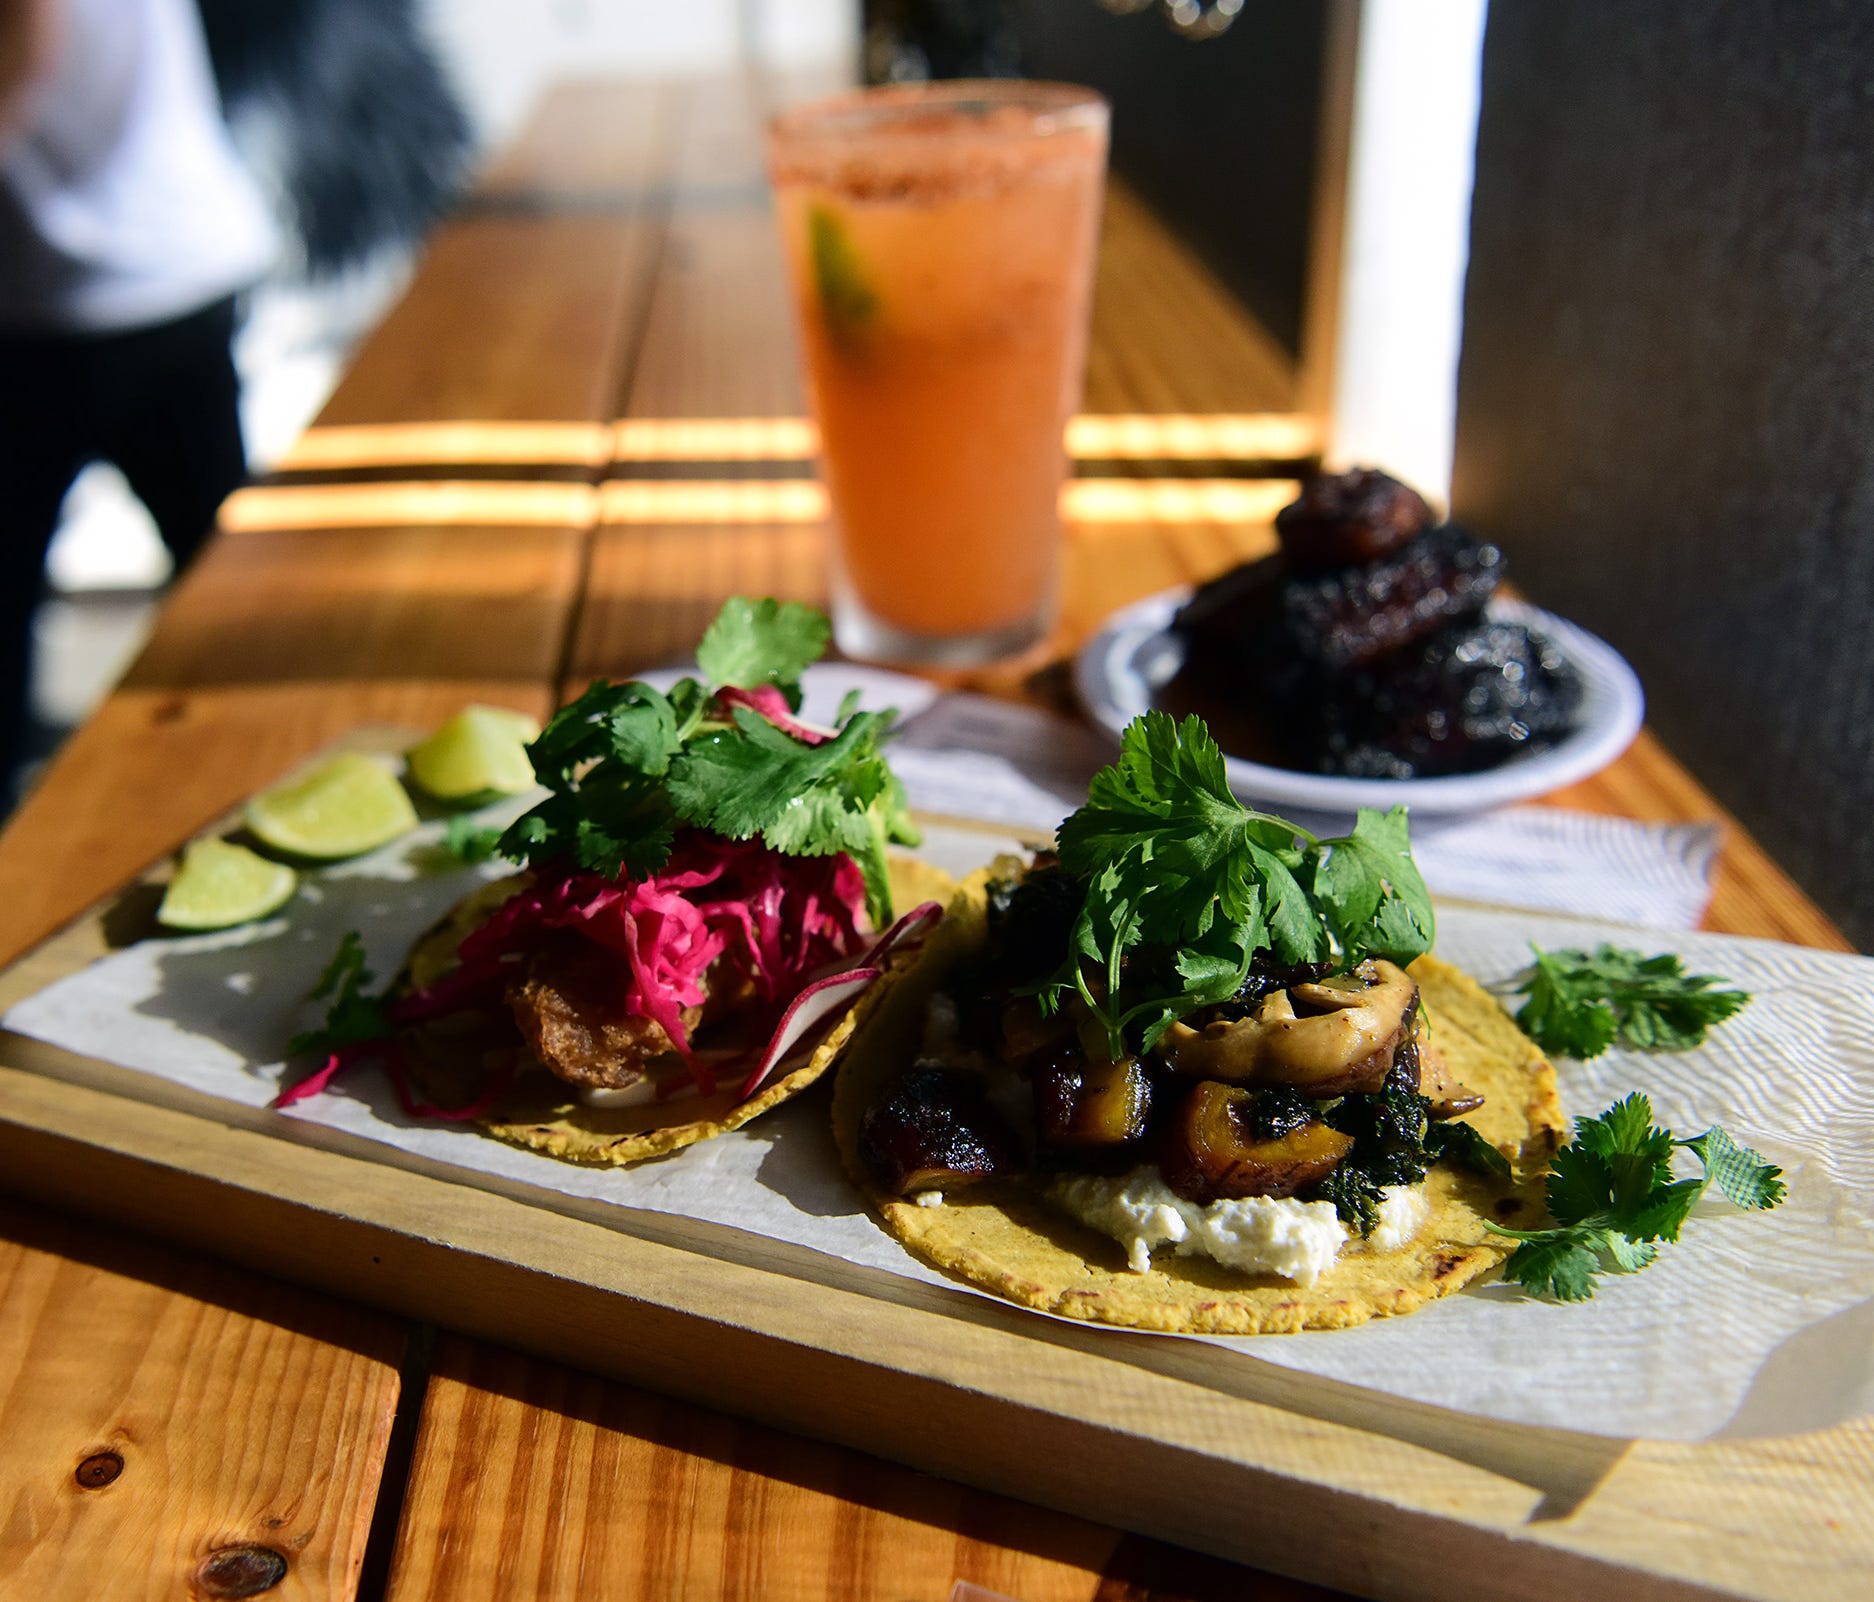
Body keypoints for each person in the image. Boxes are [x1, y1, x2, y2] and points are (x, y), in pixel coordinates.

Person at [0, 0, 279, 784]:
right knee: (225, 594)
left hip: (109, 291)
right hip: (146, 270)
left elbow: (27, 40)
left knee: (226, 604)